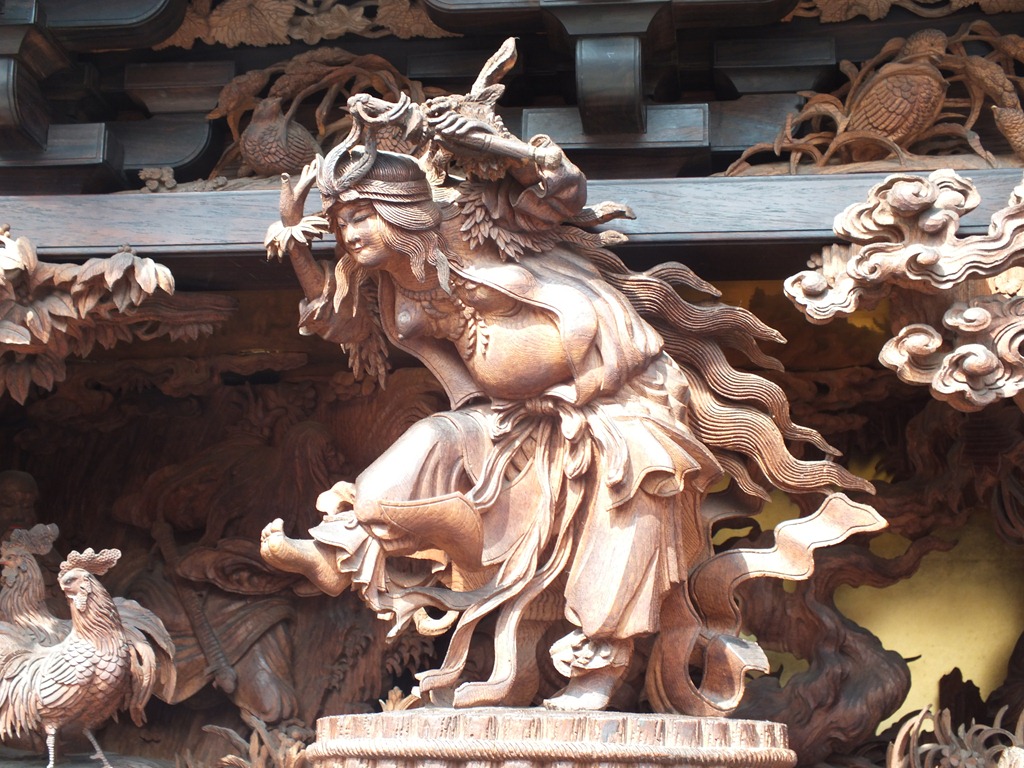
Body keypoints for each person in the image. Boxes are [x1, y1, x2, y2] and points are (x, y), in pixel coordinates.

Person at [260, 75, 873, 712]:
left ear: (401, 209)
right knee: (418, 453)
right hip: (511, 417)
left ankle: (599, 665)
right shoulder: (391, 281)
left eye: (361, 216)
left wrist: (505, 151)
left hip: (619, 396)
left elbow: (561, 193)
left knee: (635, 479)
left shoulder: (478, 223)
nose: (349, 234)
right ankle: (343, 549)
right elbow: (338, 322)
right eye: (340, 223)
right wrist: (297, 240)